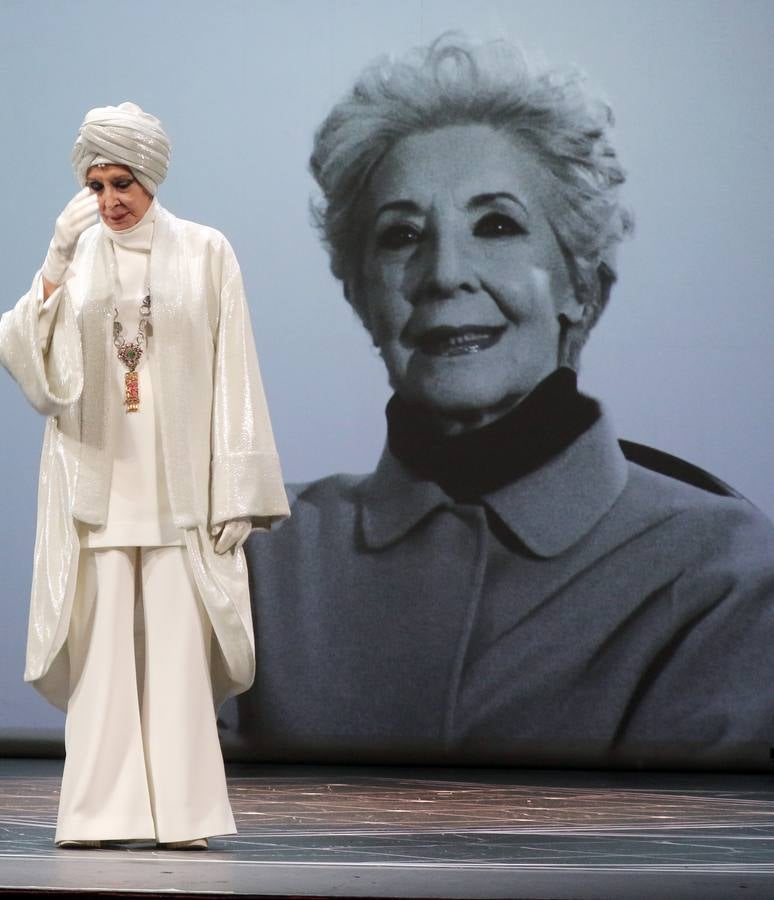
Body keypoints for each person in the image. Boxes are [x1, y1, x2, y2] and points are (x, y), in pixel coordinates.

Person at [230, 37, 774, 769]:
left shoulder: (725, 573)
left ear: (583, 287)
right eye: (400, 237)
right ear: (360, 296)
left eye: (496, 226)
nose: (445, 273)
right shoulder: (250, 557)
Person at [0, 102, 289, 847]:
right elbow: (32, 368)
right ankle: (100, 814)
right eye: (96, 184)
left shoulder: (205, 251)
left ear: (150, 177)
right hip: (96, 483)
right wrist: (56, 264)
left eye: (121, 181)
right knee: (100, 659)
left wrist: (239, 488)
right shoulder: (79, 256)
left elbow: (237, 372)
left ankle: (182, 817)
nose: (109, 200)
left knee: (176, 654)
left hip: (178, 485)